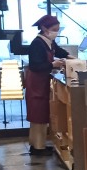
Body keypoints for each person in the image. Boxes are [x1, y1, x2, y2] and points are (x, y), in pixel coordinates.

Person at [24, 14, 68, 156]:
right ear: (44, 28)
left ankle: (38, 145)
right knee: (38, 115)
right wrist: (52, 64)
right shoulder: (37, 43)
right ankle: (37, 148)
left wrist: (70, 57)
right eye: (55, 29)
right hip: (36, 83)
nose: (57, 32)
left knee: (42, 115)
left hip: (42, 82)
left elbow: (59, 51)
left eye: (58, 29)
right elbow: (36, 65)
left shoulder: (48, 41)